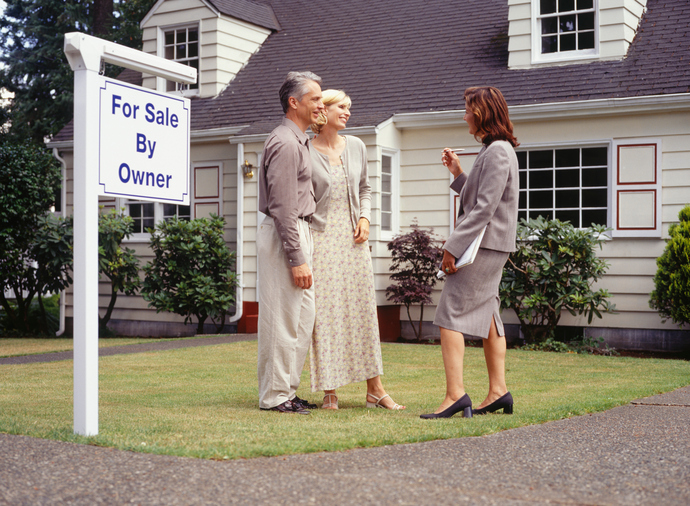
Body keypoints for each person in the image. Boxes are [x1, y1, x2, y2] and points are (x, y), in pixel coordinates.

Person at [421, 86, 519, 419]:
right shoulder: (496, 150)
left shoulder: (497, 152)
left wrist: (452, 247)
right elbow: (481, 198)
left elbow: (484, 209)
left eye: (467, 110)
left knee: (450, 315)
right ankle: (497, 392)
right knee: (489, 315)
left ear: (480, 114)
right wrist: (458, 174)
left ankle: (455, 396)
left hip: (484, 246)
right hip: (494, 244)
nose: (464, 116)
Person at [308, 89, 404, 411]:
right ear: (323, 111)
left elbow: (365, 187)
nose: (348, 112)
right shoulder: (306, 150)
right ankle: (329, 391)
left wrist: (365, 217)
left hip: (354, 240)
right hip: (321, 241)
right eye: (342, 107)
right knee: (327, 314)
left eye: (350, 107)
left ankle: (375, 389)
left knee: (363, 311)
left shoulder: (358, 146)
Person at [256, 71, 325, 414]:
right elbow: (283, 206)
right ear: (293, 102)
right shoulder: (284, 142)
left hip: (299, 230)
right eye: (315, 99)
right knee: (281, 319)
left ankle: (287, 391)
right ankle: (274, 396)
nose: (321, 104)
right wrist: (297, 257)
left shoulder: (300, 140)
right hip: (287, 233)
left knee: (302, 318)